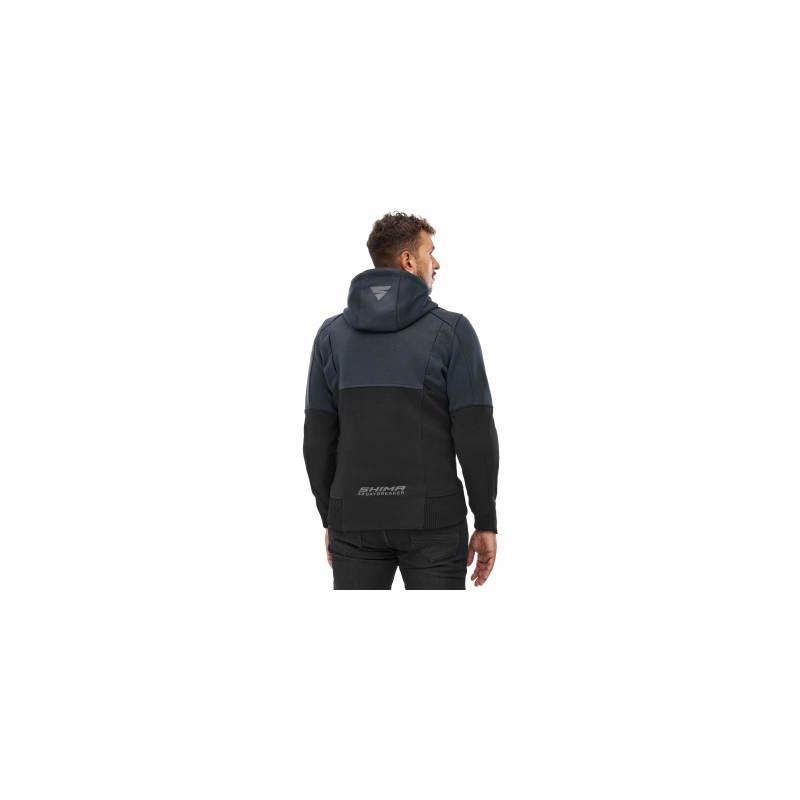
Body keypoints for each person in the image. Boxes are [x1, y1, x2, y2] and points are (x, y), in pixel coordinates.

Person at [303, 212, 500, 590]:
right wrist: (486, 521)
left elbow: (317, 437)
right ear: (408, 260)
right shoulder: (452, 331)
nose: (436, 263)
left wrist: (333, 517)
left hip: (354, 521)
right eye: (430, 252)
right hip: (434, 523)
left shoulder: (330, 335)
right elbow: (475, 434)